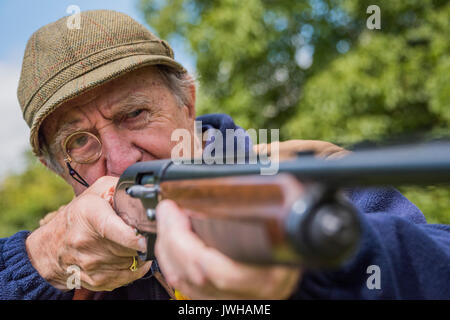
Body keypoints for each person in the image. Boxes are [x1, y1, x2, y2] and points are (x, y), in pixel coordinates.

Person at [0, 10, 449, 300]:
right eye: (80, 142)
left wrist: (313, 274)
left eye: (135, 113)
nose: (120, 161)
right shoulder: (76, 260)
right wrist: (40, 262)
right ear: (58, 167)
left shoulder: (313, 176)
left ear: (188, 104)